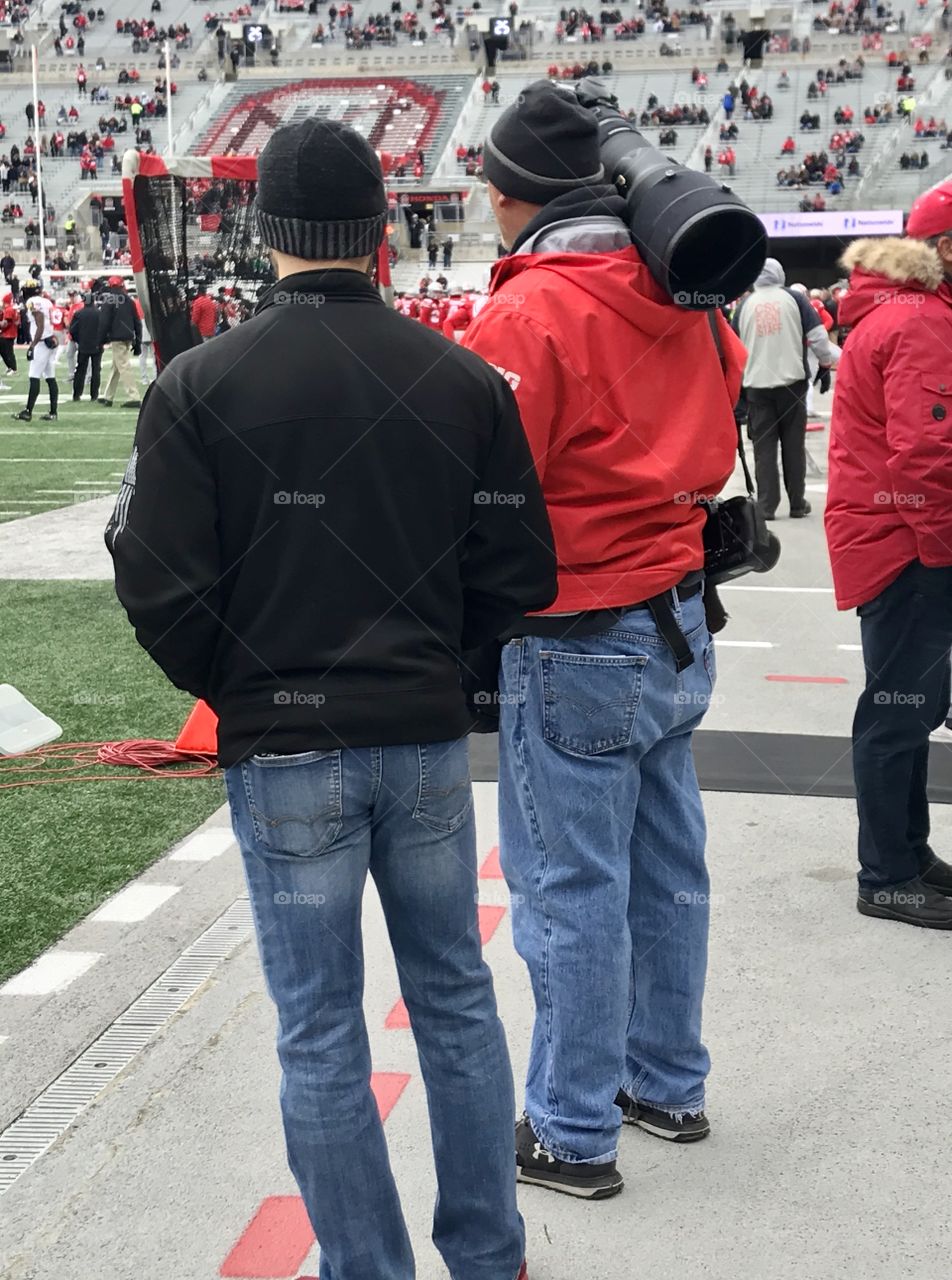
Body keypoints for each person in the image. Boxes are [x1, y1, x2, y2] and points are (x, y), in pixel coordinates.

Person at [106, 117, 556, 1280]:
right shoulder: (462, 379)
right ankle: (488, 1251)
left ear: (263, 233)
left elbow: (157, 582)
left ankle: (369, 1263)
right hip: (413, 735)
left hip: (287, 743)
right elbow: (519, 572)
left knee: (320, 1029)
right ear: (378, 229)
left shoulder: (202, 382)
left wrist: (241, 686)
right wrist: (437, 666)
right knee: (453, 997)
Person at [462, 80, 745, 1198]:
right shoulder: (688, 290)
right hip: (676, 613)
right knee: (668, 868)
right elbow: (720, 431)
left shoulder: (529, 313)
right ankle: (665, 1079)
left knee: (569, 888)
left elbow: (483, 488)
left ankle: (571, 1128)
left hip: (578, 630)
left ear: (507, 194)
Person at [825, 179, 952, 928]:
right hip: (908, 544)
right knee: (897, 712)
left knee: (909, 705)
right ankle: (887, 876)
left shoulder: (904, 312)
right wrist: (942, 554)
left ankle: (907, 852)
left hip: (896, 537)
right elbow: (928, 456)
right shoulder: (920, 321)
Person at [732, 259, 838, 519]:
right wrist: (825, 364)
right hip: (792, 385)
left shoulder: (745, 304)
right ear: (780, 274)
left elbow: (734, 348)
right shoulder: (796, 299)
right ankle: (797, 504)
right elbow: (818, 337)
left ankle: (767, 507)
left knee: (763, 448)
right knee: (793, 445)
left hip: (756, 387)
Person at [12, 282, 59, 421]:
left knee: (34, 376)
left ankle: (28, 411)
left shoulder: (33, 301)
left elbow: (40, 324)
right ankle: (53, 412)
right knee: (50, 378)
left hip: (42, 343)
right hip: (49, 341)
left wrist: (32, 345)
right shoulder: (46, 301)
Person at [97, 275, 142, 407]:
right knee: (116, 366)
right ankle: (108, 396)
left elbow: (104, 322)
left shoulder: (109, 300)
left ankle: (134, 396)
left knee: (123, 366)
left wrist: (100, 340)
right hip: (128, 336)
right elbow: (137, 322)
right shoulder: (129, 300)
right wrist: (137, 341)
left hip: (117, 338)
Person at [70, 293, 105, 401]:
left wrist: (79, 340)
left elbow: (73, 330)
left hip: (84, 345)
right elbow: (105, 329)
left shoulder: (79, 314)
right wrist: (102, 341)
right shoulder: (100, 314)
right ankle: (94, 395)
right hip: (97, 345)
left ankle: (77, 394)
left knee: (80, 370)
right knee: (96, 370)